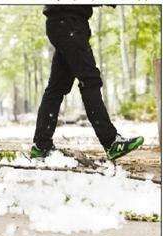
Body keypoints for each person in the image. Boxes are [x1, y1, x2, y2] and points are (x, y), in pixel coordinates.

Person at [30, 5, 144, 160]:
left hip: (64, 22)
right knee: (89, 80)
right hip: (68, 22)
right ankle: (111, 142)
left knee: (56, 88)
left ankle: (41, 146)